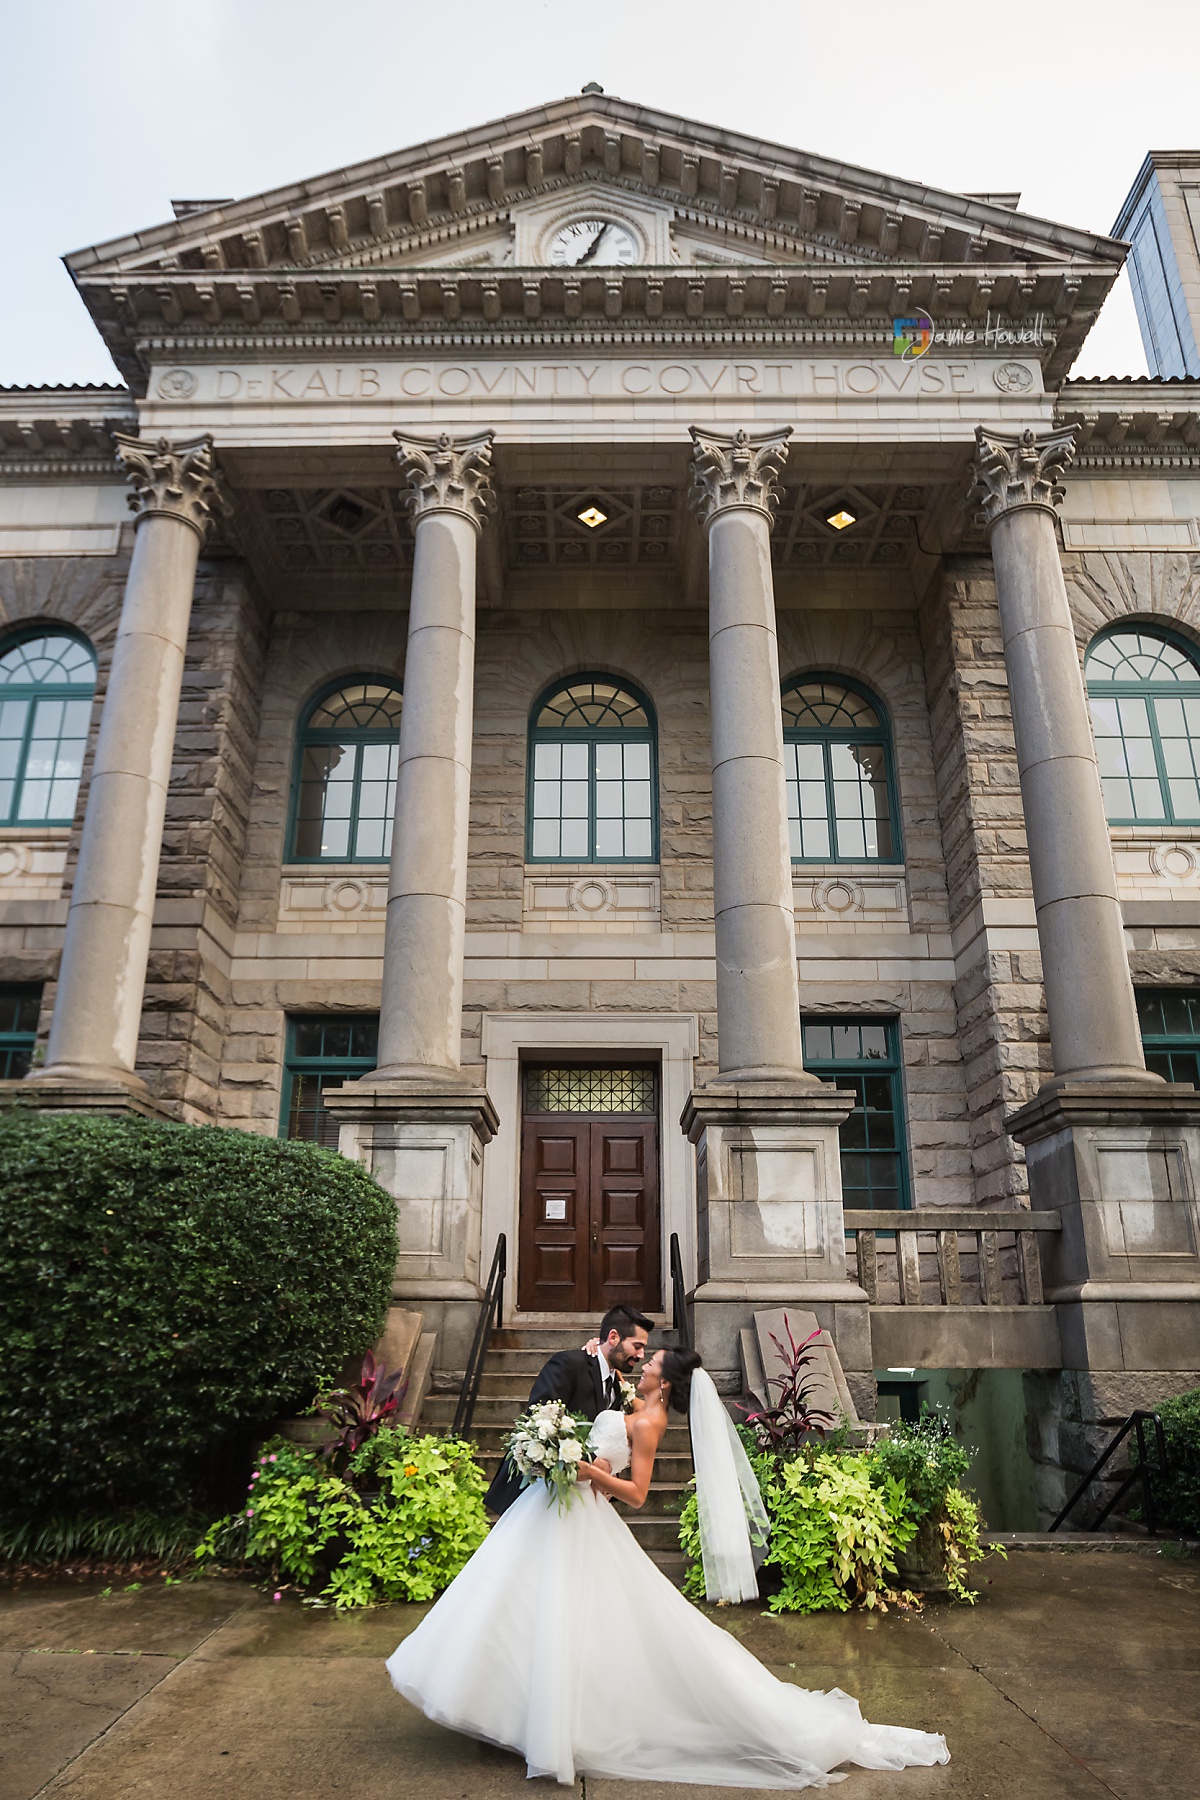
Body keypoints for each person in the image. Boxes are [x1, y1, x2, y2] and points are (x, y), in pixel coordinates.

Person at [387, 1344, 949, 1788]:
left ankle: (548, 1719)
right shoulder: (635, 1401)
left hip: (583, 1509)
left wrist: (583, 1469)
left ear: (667, 1382)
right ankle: (513, 1706)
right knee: (525, 1603)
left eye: (651, 1362)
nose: (643, 1361)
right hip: (564, 1512)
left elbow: (635, 1492)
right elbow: (609, 1414)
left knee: (568, 1613)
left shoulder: (651, 1422)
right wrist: (575, 1416)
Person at [482, 1303, 651, 1516]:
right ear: (614, 1337)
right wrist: (593, 1464)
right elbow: (538, 1422)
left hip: (576, 1497)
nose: (642, 1354)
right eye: (637, 1346)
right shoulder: (569, 1365)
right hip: (537, 1492)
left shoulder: (616, 1385)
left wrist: (606, 1478)